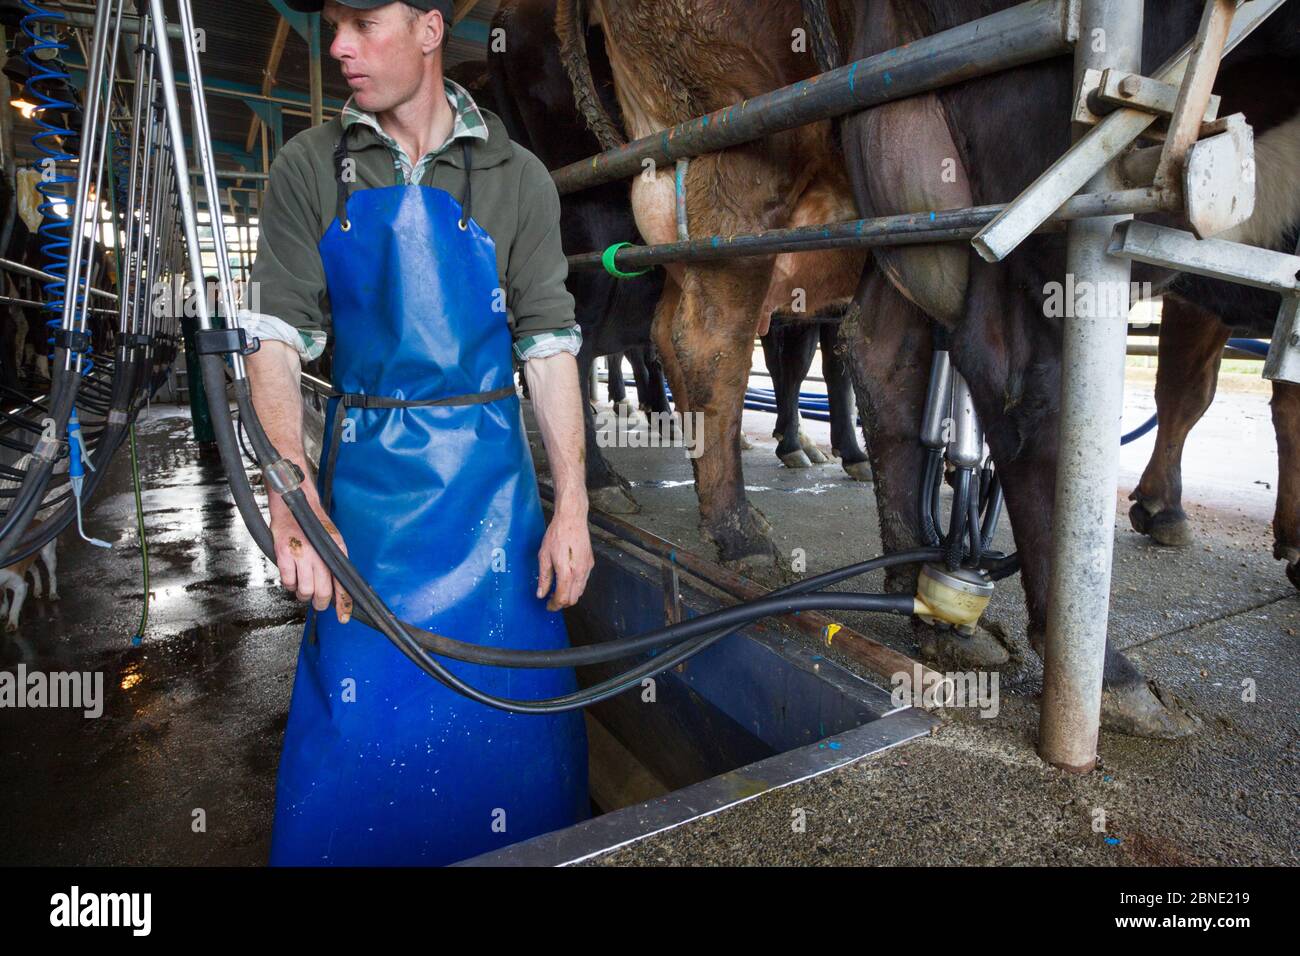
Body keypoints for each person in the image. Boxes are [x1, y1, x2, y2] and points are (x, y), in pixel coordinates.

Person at [241, 0, 593, 866]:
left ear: (431, 30)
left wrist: (573, 507)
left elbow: (548, 351)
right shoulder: (310, 167)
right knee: (355, 732)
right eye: (335, 26)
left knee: (514, 730)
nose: (339, 47)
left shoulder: (517, 177)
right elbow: (274, 344)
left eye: (365, 24)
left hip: (493, 505)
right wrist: (291, 496)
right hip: (364, 503)